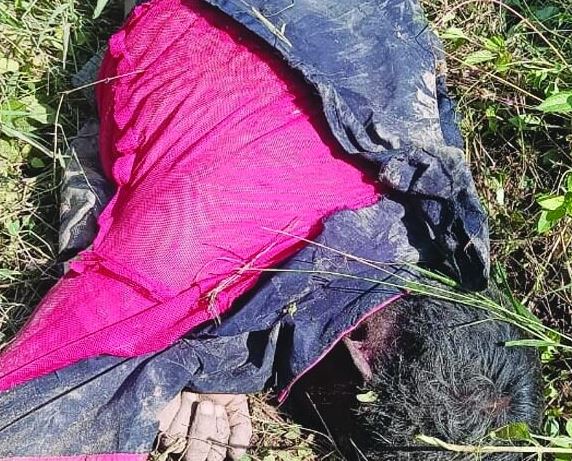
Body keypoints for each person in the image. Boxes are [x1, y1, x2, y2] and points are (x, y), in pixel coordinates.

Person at [0, 0, 543, 460]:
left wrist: (225, 365)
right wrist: (172, 370)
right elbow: (30, 415)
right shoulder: (180, 265)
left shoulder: (436, 214)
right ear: (359, 361)